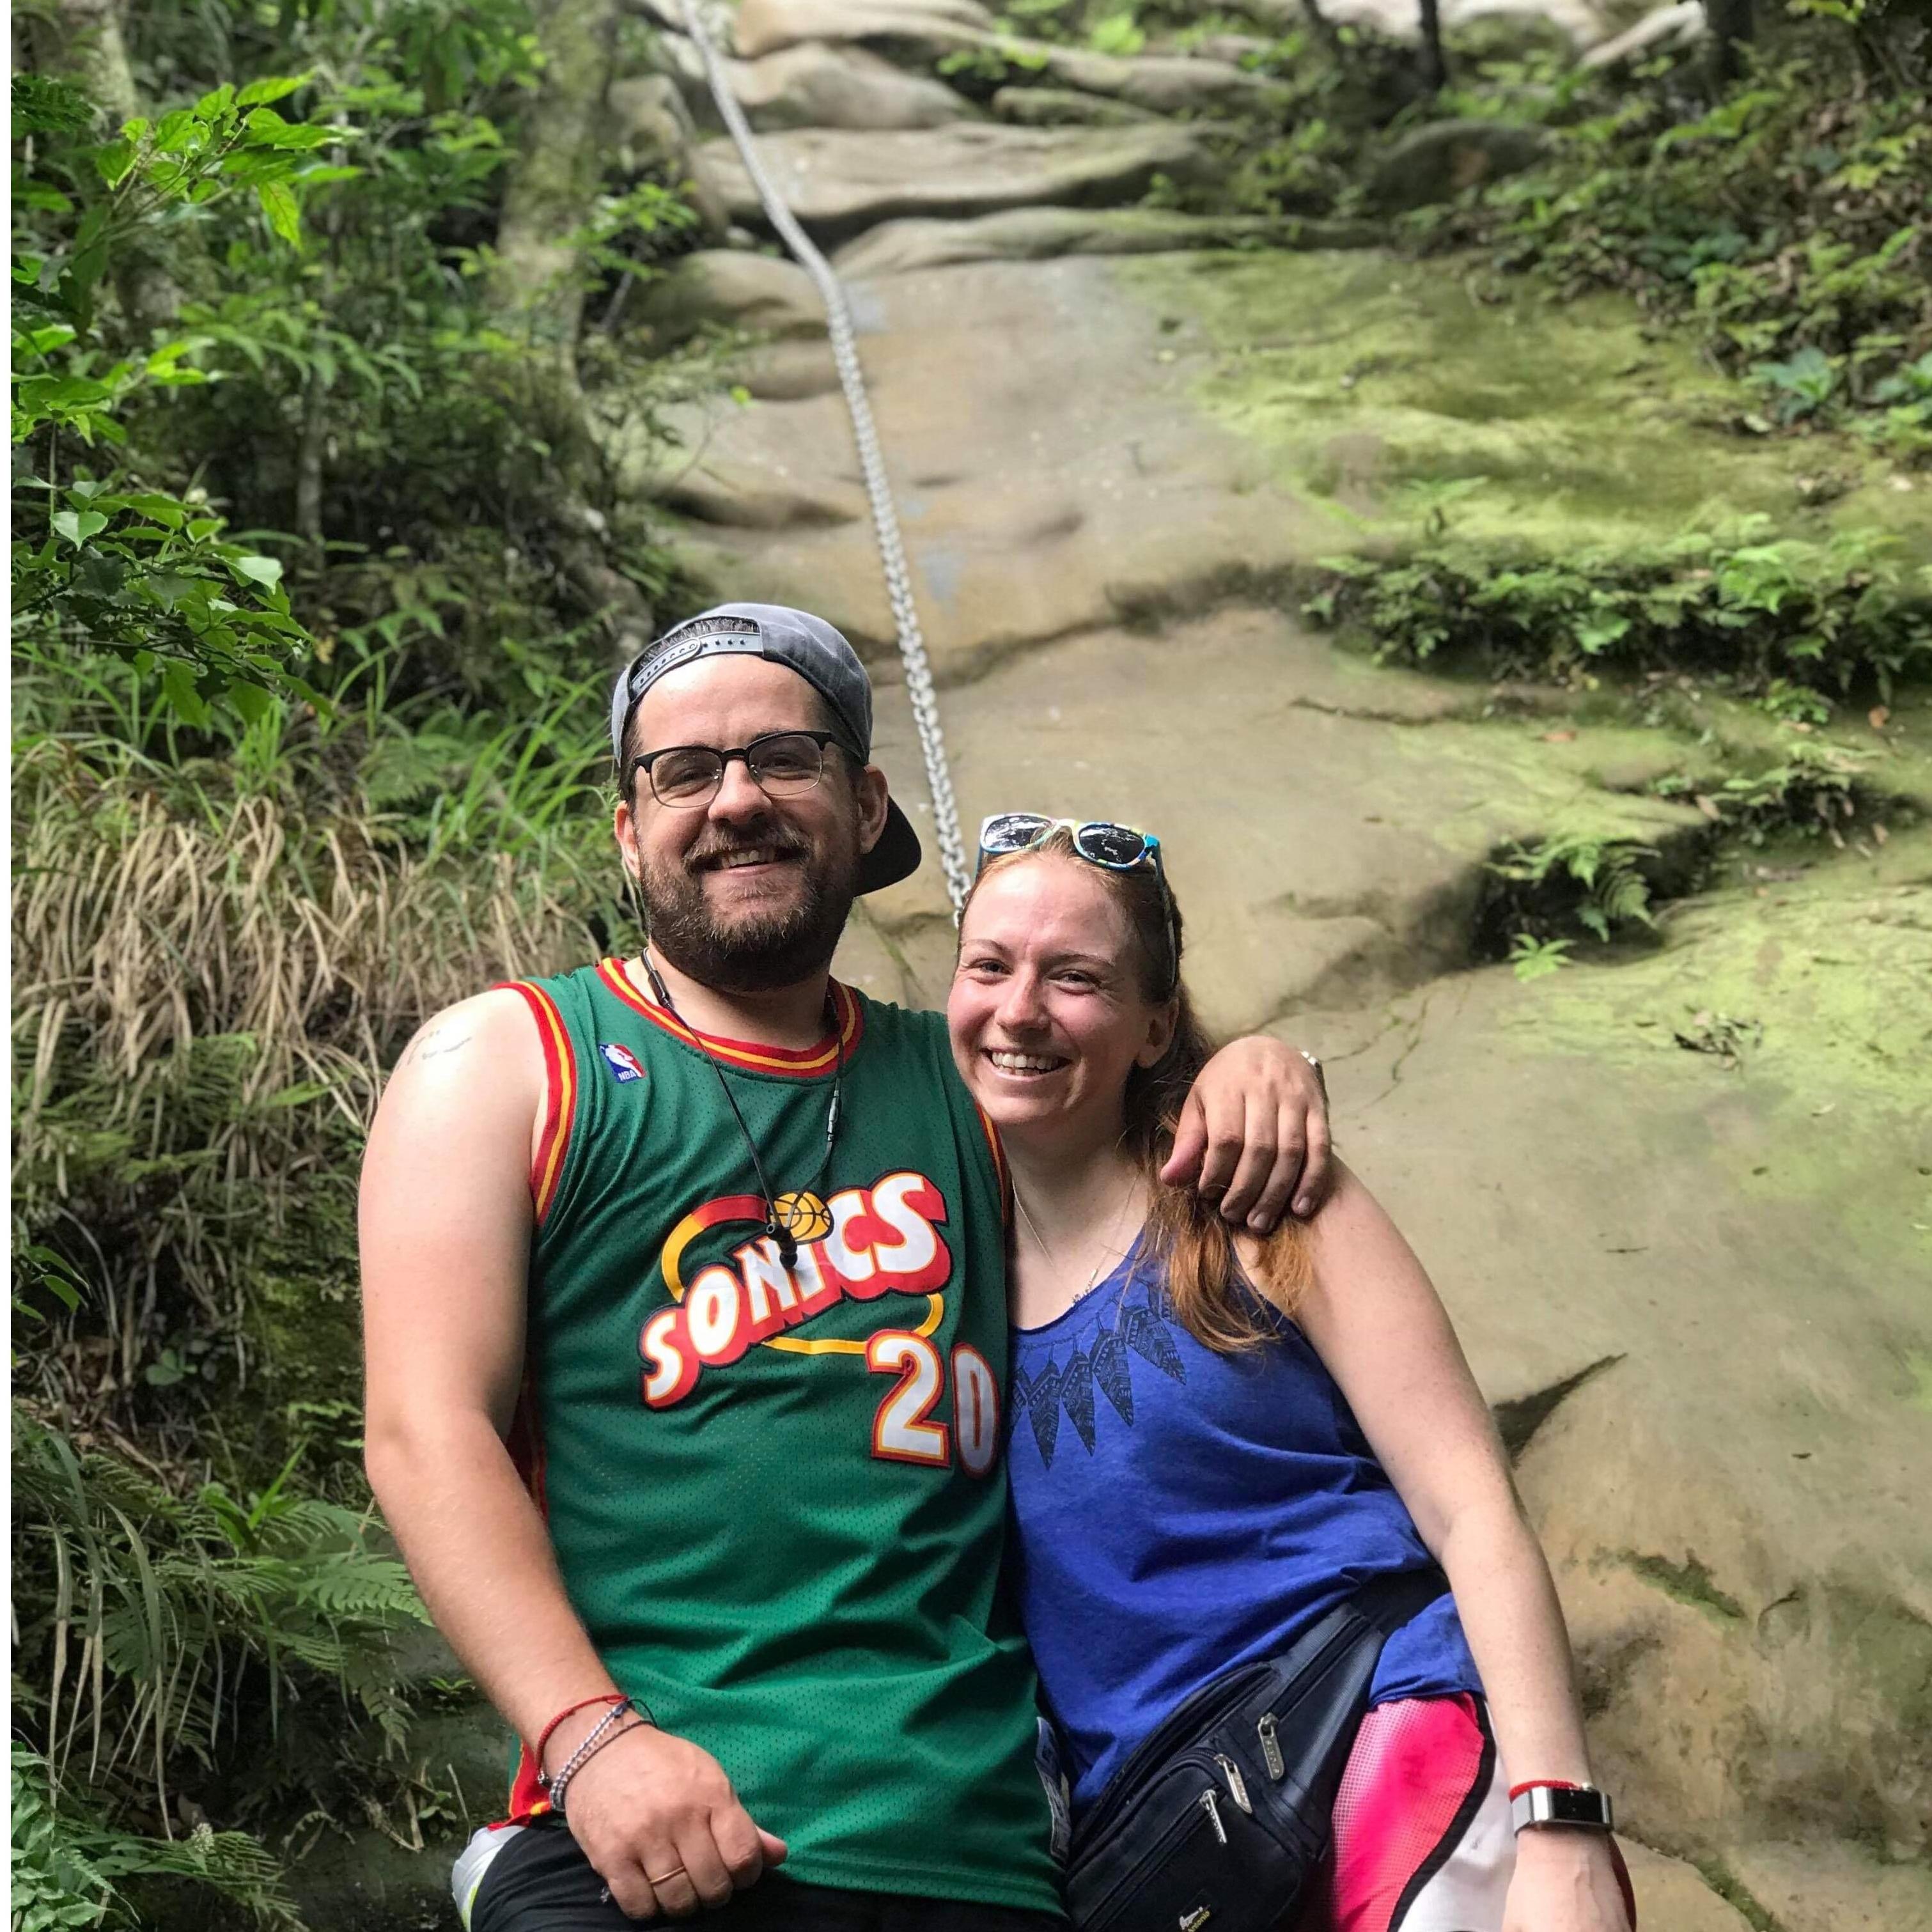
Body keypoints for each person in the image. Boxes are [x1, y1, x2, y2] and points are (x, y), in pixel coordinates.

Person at [358, 604, 1335, 1932]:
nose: (737, 797)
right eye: (684, 770)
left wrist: (1257, 1061)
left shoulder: (975, 1083)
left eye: (784, 757)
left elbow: (1137, 1070)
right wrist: (592, 1741)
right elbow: (425, 1430)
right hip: (642, 1835)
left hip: (979, 1860)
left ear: (862, 801)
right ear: (626, 828)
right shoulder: (513, 1063)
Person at [946, 816, 1639, 1932]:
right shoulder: (931, 1277)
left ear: (1153, 1021)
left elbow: (1470, 1508)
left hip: (1381, 1732)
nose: (1019, 1009)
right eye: (989, 965)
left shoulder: (1257, 1206)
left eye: (1074, 977)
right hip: (1170, 1854)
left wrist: (1558, 1824)